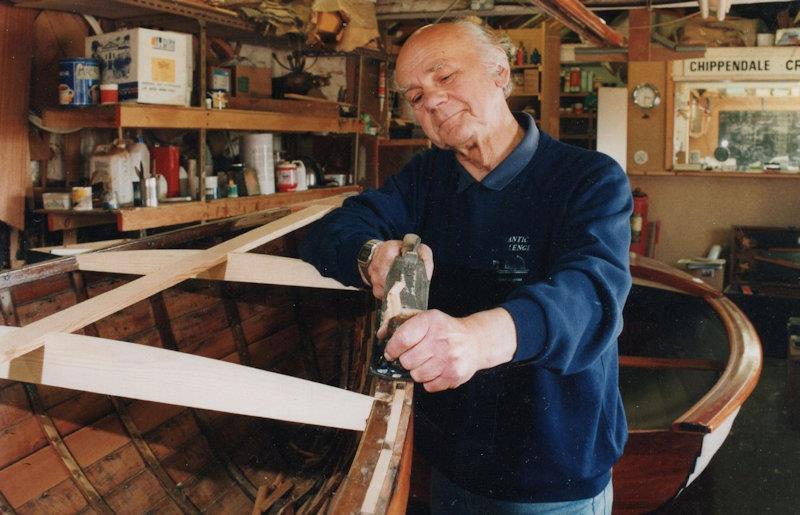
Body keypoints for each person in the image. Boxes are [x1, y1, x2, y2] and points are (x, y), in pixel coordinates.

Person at [300, 19, 632, 514]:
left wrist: (477, 339)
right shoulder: (424, 179)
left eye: (444, 77)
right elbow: (329, 231)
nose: (430, 100)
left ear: (501, 72)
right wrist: (372, 255)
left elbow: (590, 293)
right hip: (452, 462)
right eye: (414, 95)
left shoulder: (588, 179)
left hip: (553, 470)